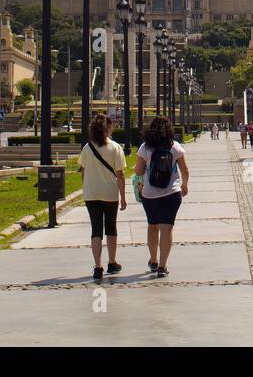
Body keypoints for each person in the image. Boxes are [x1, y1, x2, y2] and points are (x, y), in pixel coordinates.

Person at [134, 116, 190, 278]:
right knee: (167, 227)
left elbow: (138, 171)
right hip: (171, 193)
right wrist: (184, 185)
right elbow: (185, 171)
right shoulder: (175, 147)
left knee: (152, 226)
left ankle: (153, 260)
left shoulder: (145, 148)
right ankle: (163, 266)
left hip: (149, 194)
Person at [79, 113, 127, 281]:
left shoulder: (87, 148)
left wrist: (87, 187)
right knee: (111, 228)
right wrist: (123, 197)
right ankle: (112, 262)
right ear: (108, 129)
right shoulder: (115, 148)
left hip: (91, 194)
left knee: (96, 229)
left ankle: (97, 266)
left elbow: (83, 172)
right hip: (109, 193)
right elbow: (120, 175)